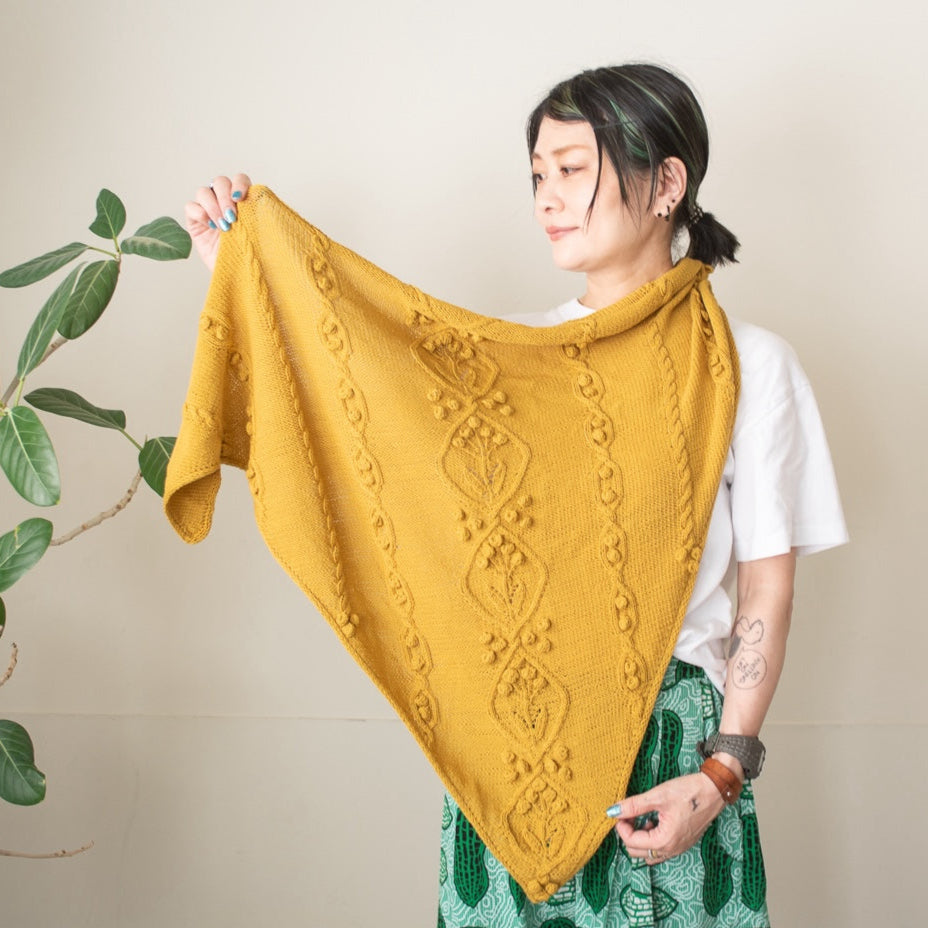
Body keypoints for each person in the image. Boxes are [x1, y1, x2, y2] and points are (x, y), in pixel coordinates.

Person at [180, 64, 847, 928]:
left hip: (676, 758)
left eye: (572, 169)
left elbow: (766, 589)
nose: (547, 199)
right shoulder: (504, 362)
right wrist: (243, 273)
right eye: (538, 175)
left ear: (667, 184)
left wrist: (720, 775)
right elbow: (358, 423)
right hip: (512, 751)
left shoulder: (750, 365)